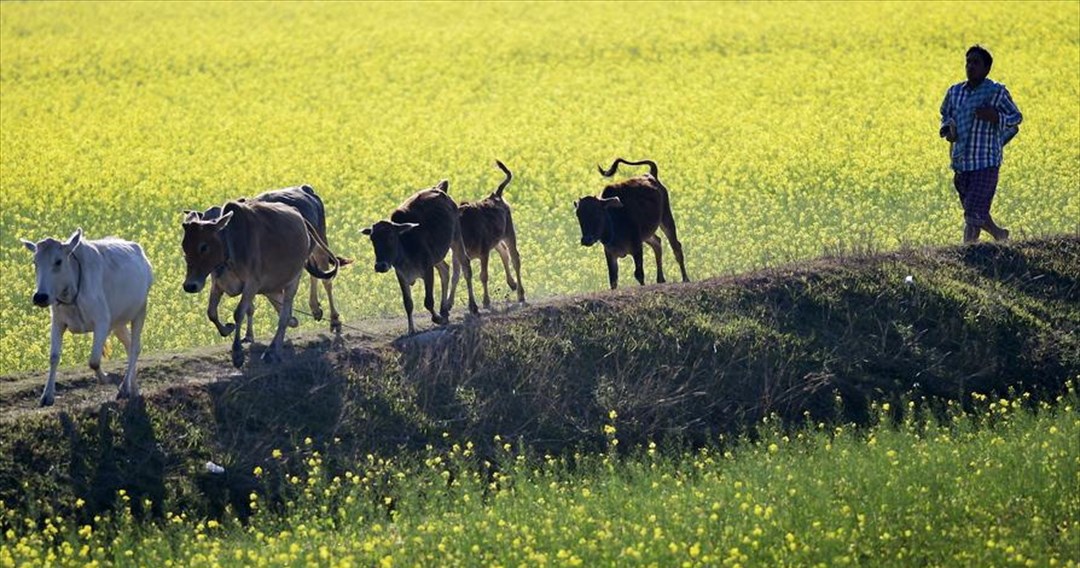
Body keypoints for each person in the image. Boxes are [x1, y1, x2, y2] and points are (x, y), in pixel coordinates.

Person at [939, 45, 1023, 243]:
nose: (970, 66)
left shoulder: (996, 92)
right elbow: (945, 113)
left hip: (986, 162)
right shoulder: (955, 92)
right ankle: (1000, 235)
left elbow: (1016, 117)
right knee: (973, 210)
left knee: (974, 213)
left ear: (987, 69)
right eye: (968, 62)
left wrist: (995, 116)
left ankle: (968, 250)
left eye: (976, 63)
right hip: (962, 161)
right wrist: (948, 129)